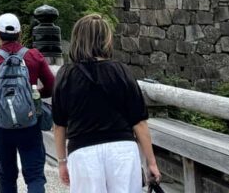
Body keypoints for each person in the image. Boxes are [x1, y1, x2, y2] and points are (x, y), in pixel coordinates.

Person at [53, 14, 161, 192]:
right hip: (122, 150)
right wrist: (151, 162)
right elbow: (139, 122)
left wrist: (62, 162)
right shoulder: (121, 71)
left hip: (83, 152)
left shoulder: (65, 75)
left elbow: (59, 126)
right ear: (106, 39)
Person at [0, 13, 55, 193]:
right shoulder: (34, 56)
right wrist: (33, 96)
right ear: (19, 33)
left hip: (2, 125)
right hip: (30, 122)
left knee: (7, 176)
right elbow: (52, 86)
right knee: (35, 176)